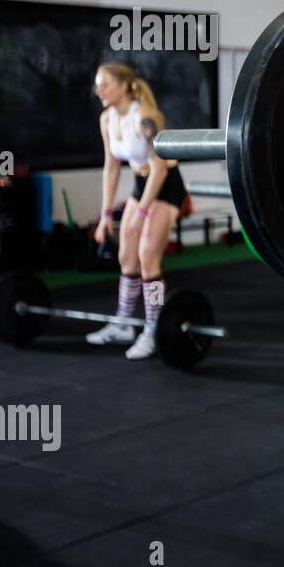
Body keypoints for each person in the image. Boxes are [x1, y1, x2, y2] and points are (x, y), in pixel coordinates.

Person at [90, 62, 188, 360]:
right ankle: (123, 324)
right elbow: (111, 166)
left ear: (123, 85)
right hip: (140, 183)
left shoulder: (145, 117)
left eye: (105, 84)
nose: (99, 90)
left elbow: (159, 170)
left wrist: (142, 215)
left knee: (148, 257)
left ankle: (153, 327)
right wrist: (106, 215)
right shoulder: (106, 119)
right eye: (97, 85)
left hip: (165, 185)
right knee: (126, 256)